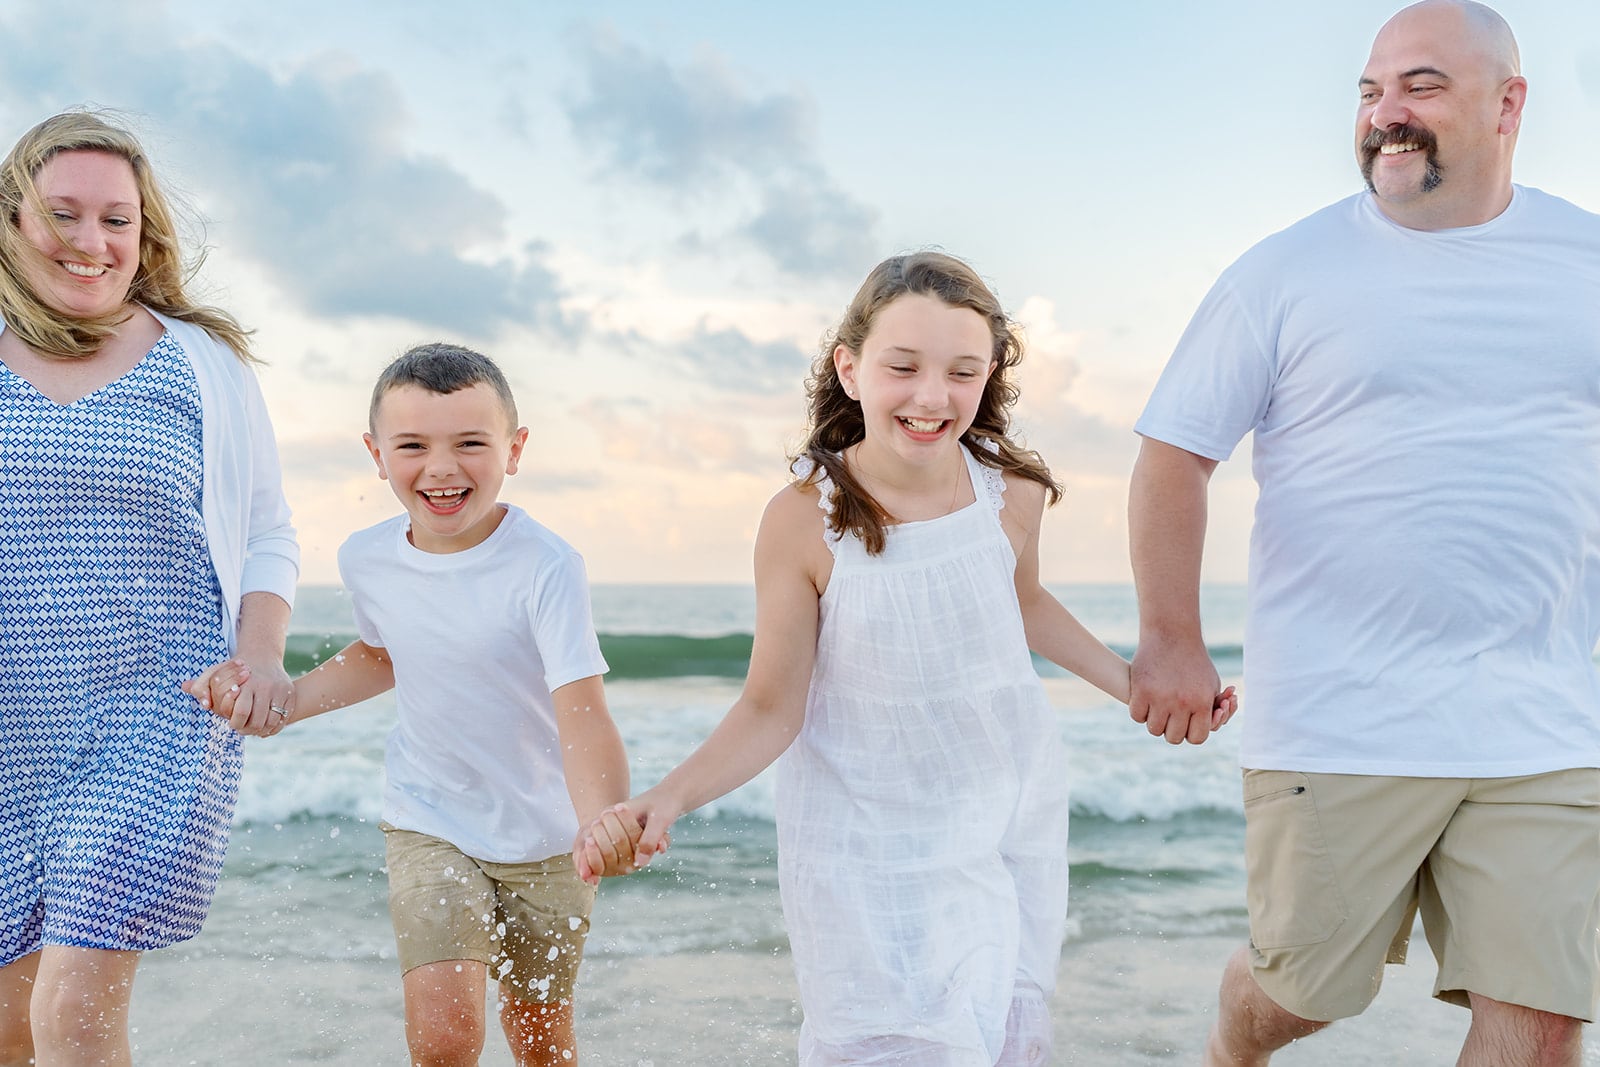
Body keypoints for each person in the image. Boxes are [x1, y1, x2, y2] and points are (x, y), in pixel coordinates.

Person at [576, 251, 1235, 1066]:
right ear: (850, 369)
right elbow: (770, 706)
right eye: (903, 367)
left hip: (1003, 823)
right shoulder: (804, 520)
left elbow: (1022, 601)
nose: (932, 397)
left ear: (989, 375)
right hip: (864, 846)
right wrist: (667, 797)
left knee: (1000, 1038)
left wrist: (1137, 686)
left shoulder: (1011, 492)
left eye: (962, 371)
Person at [1128, 2, 1600, 1063]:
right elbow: (1174, 455)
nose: (1386, 112)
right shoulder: (1284, 272)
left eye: (1420, 86)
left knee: (1541, 1021)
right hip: (1338, 718)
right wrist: (1169, 638)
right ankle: (1233, 1041)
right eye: (1370, 91)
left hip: (1543, 720)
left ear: (1509, 104)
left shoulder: (1589, 260)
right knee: (1303, 995)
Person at [194, 343, 631, 1067]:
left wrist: (602, 818)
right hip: (429, 818)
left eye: (470, 443)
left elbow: (582, 712)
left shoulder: (547, 565)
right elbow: (383, 654)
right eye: (413, 446)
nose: (441, 468)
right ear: (376, 454)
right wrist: (287, 702)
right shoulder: (367, 557)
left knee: (540, 1035)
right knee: (444, 1036)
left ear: (515, 448)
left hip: (549, 836)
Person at [0, 111, 298, 1066]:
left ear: (145, 233)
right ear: (13, 220)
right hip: (11, 725)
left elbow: (267, 533)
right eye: (62, 214)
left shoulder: (201, 361)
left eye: (116, 219)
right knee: (12, 1026)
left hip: (158, 710)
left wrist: (259, 657)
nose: (91, 241)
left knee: (73, 1011)